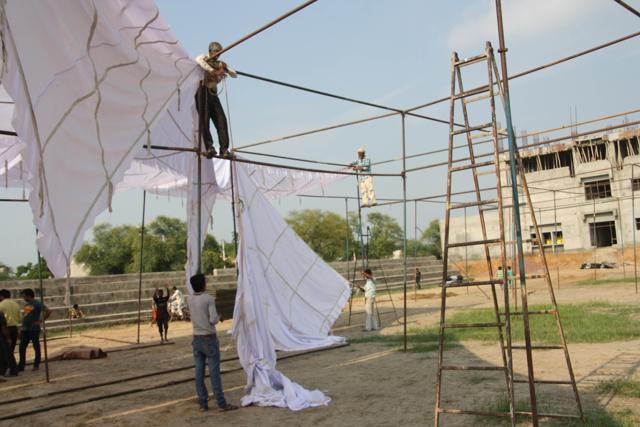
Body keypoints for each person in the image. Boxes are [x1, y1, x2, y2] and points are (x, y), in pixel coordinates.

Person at [188, 273, 237, 412]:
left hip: (196, 338)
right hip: (209, 337)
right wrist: (220, 316)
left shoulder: (190, 299)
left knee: (199, 373)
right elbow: (213, 319)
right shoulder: (208, 299)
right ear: (203, 284)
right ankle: (221, 403)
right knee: (214, 373)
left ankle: (203, 403)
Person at [194, 41, 237, 159]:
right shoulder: (204, 58)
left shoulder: (219, 63)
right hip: (202, 91)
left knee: (221, 120)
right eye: (216, 53)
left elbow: (234, 74)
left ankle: (224, 150)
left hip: (212, 94)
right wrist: (214, 71)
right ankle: (209, 147)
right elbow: (198, 60)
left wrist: (225, 68)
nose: (217, 55)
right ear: (210, 51)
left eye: (219, 53)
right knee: (205, 119)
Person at [17, 288, 51, 372]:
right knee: (22, 347)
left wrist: (40, 321)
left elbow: (48, 311)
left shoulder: (37, 303)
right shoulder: (27, 305)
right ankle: (21, 365)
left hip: (33, 329)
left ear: (29, 296)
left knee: (36, 347)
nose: (23, 298)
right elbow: (26, 316)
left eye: (24, 296)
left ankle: (36, 364)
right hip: (25, 329)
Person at [0, 289, 20, 374]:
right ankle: (4, 369)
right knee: (10, 350)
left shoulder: (1, 305)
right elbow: (18, 317)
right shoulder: (16, 304)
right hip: (14, 328)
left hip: (5, 329)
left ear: (1, 296)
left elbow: (2, 322)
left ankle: (12, 369)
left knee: (6, 351)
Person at [0, 311, 17, 376]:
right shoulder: (0, 314)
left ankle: (2, 371)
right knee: (7, 353)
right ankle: (12, 371)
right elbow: (3, 327)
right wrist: (8, 338)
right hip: (1, 338)